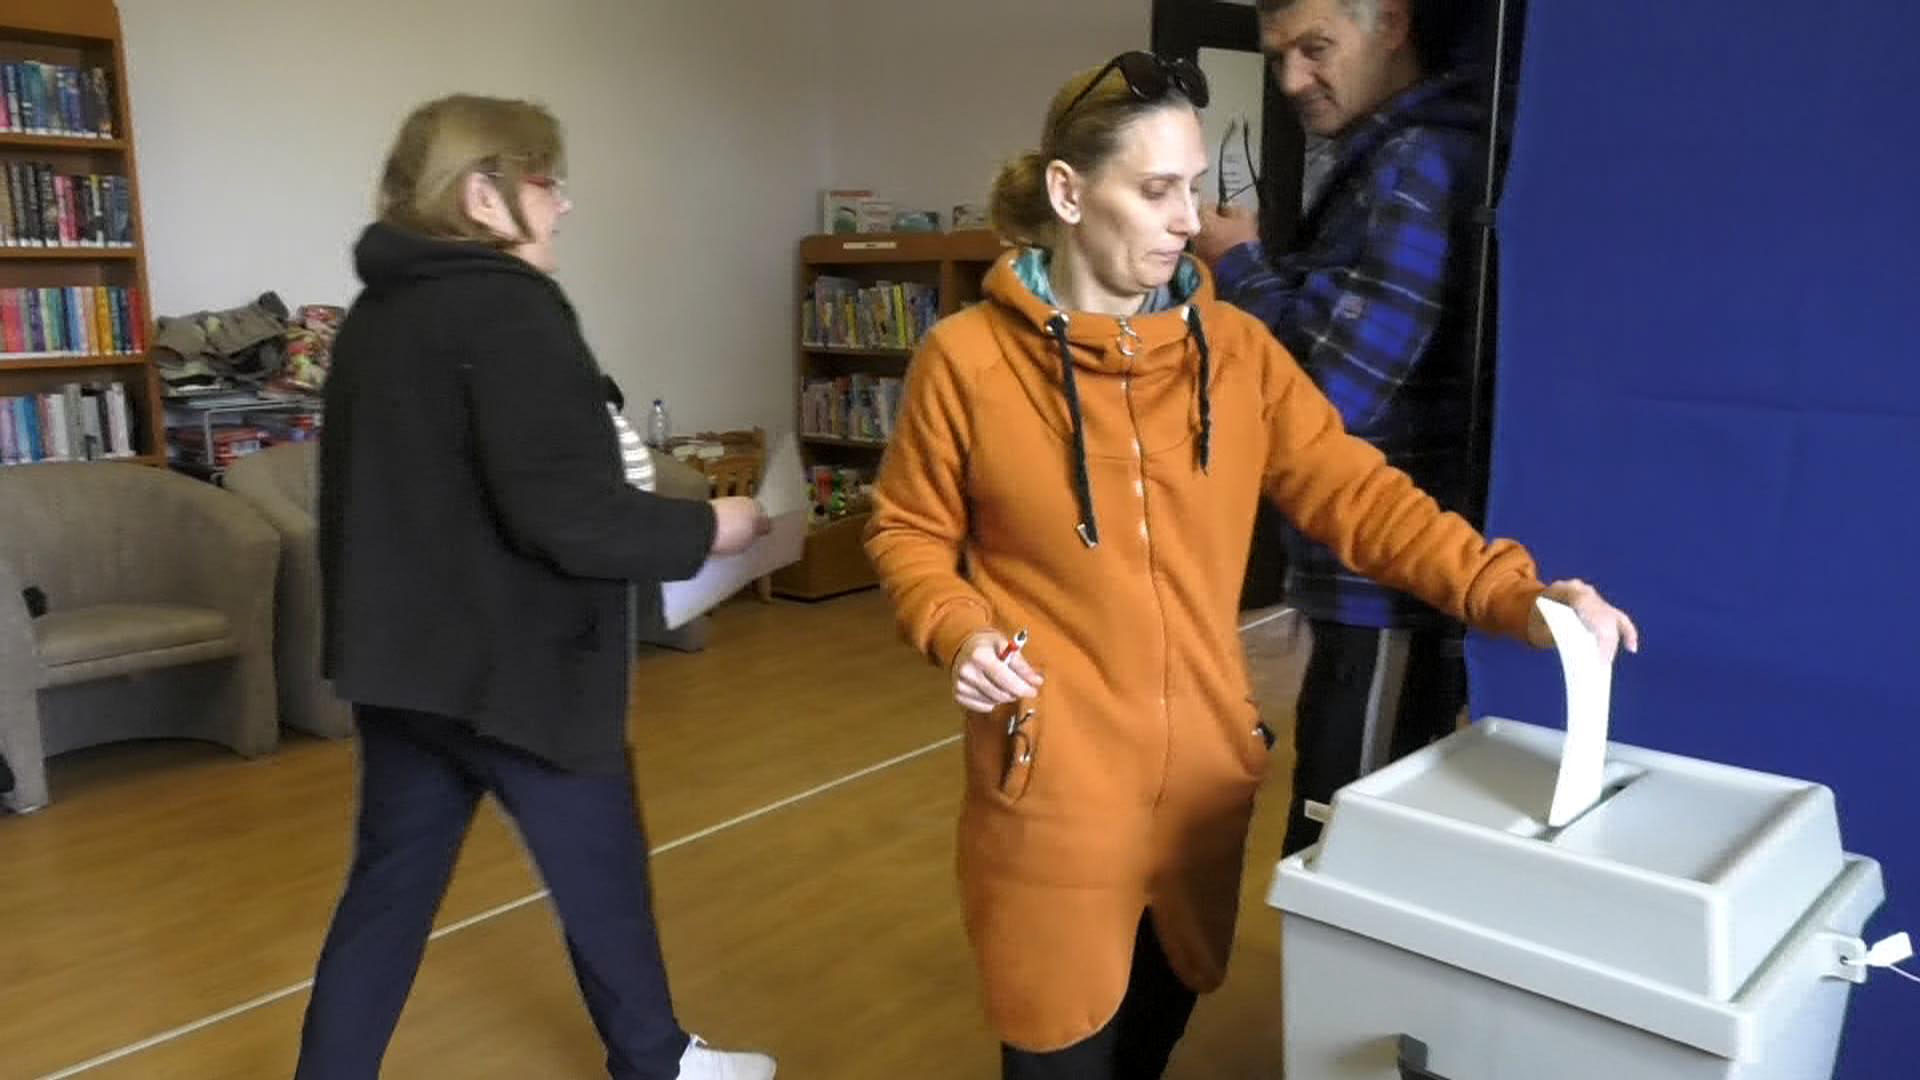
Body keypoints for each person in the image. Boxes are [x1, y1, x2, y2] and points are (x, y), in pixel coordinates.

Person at [864, 52, 1636, 1079]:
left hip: (1203, 795)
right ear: (1068, 191)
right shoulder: (964, 360)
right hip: (1052, 796)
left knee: (1155, 1029)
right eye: (1156, 190)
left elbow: (1363, 500)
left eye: (1195, 187)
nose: (1189, 221)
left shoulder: (1237, 354)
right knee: (1058, 1051)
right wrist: (957, 629)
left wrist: (1516, 596)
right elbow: (908, 532)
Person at [300, 94, 776, 1080]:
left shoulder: (375, 316)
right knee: (603, 876)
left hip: (406, 673)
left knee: (385, 900)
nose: (564, 205)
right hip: (519, 674)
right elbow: (571, 517)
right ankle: (657, 1063)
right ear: (485, 195)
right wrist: (715, 526)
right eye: (548, 182)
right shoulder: (512, 308)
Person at [1193, 0, 1492, 856]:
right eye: (1278, 55)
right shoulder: (1398, 154)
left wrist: (1238, 264)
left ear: (1391, 24)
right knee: (1350, 824)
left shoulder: (1415, 162)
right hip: (1369, 571)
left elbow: (1328, 392)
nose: (1293, 79)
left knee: (1341, 838)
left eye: (1316, 48)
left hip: (1385, 575)